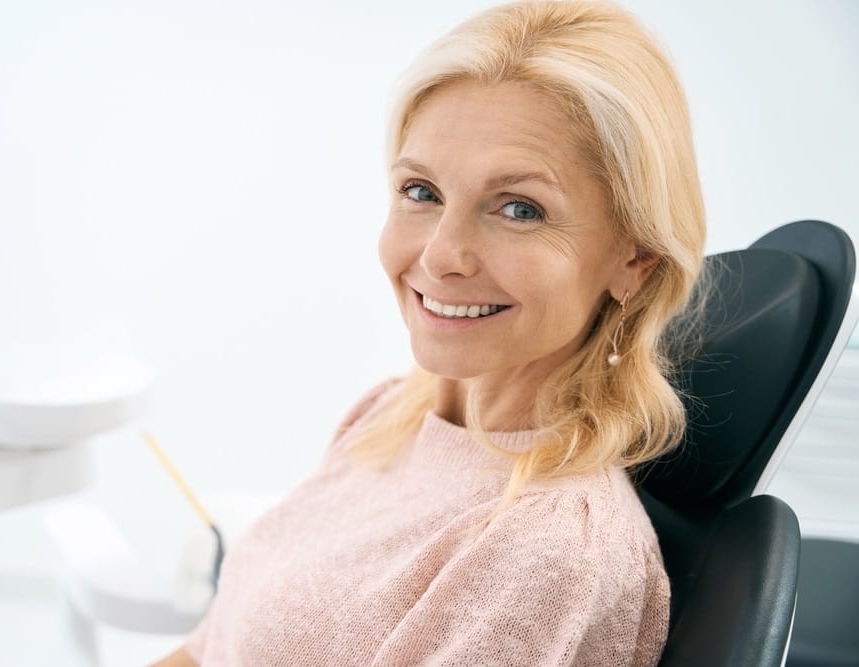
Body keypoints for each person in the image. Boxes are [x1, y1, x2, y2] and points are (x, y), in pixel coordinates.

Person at [154, 0, 705, 664]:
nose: (443, 254)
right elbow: (210, 647)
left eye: (519, 208)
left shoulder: (546, 550)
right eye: (421, 192)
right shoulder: (391, 415)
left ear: (634, 259)